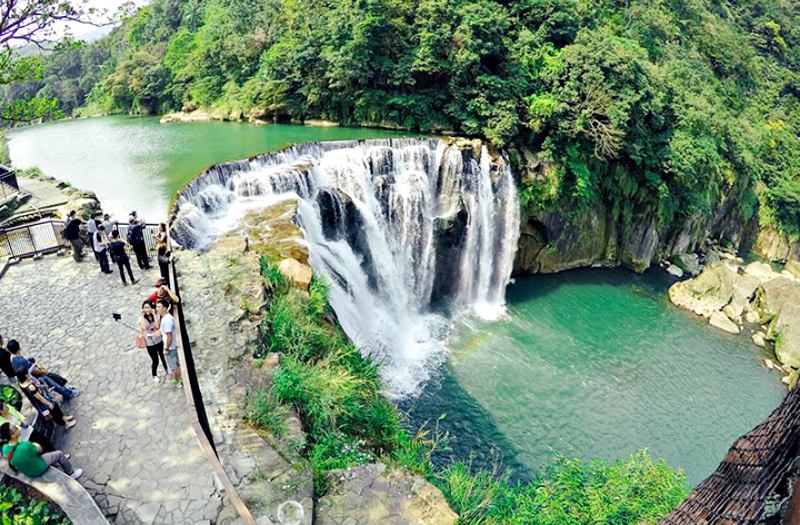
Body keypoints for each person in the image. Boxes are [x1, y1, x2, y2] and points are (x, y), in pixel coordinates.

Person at [0, 423, 82, 479]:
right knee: (59, 454)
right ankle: (71, 473)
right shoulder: (24, 445)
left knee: (47, 455)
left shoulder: (5, 448)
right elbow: (39, 450)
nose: (17, 428)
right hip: (38, 467)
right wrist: (35, 445)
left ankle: (55, 464)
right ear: (12, 435)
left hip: (28, 472)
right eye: (15, 428)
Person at [8, 339, 79, 401]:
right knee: (53, 384)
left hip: (26, 378)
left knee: (52, 383)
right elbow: (33, 371)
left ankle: (66, 393)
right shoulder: (20, 360)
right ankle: (69, 394)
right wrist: (44, 371)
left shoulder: (12, 358)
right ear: (18, 348)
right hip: (33, 377)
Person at [139, 301, 168, 382]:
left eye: (148, 307)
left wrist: (155, 315)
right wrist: (141, 316)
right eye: (145, 308)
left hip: (158, 340)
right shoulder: (141, 318)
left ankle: (167, 369)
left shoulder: (155, 315)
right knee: (155, 360)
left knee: (163, 356)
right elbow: (144, 328)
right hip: (150, 343)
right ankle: (154, 375)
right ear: (143, 309)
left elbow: (157, 326)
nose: (147, 309)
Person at [157, 299, 182, 389]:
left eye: (159, 307)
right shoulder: (166, 318)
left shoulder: (166, 320)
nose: (157, 308)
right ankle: (178, 379)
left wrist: (166, 348)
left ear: (164, 308)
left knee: (173, 367)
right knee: (175, 365)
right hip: (173, 346)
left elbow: (169, 336)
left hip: (171, 348)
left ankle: (177, 382)